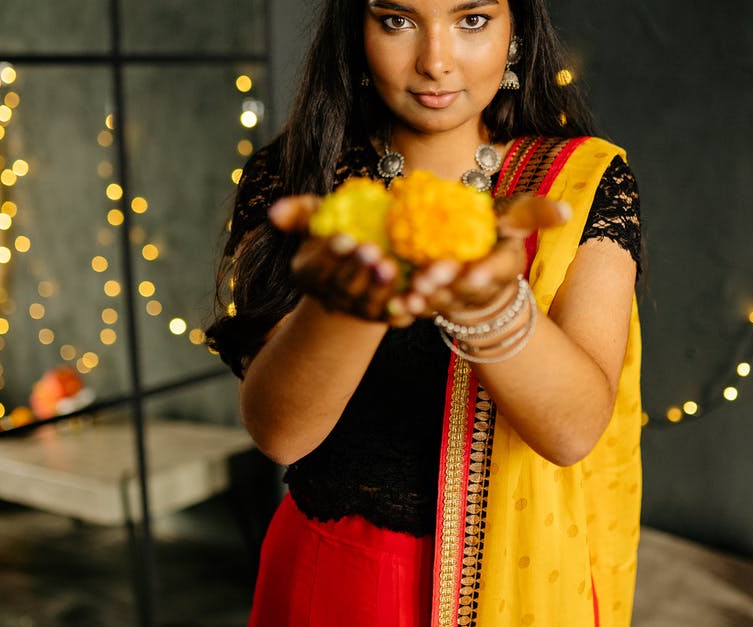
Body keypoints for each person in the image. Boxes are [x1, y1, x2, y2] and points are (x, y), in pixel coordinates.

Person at [205, 0, 643, 624]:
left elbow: (573, 432)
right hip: (335, 581)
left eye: (471, 21)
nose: (436, 62)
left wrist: (488, 303)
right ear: (356, 31)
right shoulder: (301, 175)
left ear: (516, 30)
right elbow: (281, 434)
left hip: (519, 590)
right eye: (397, 21)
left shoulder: (579, 183)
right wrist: (357, 298)